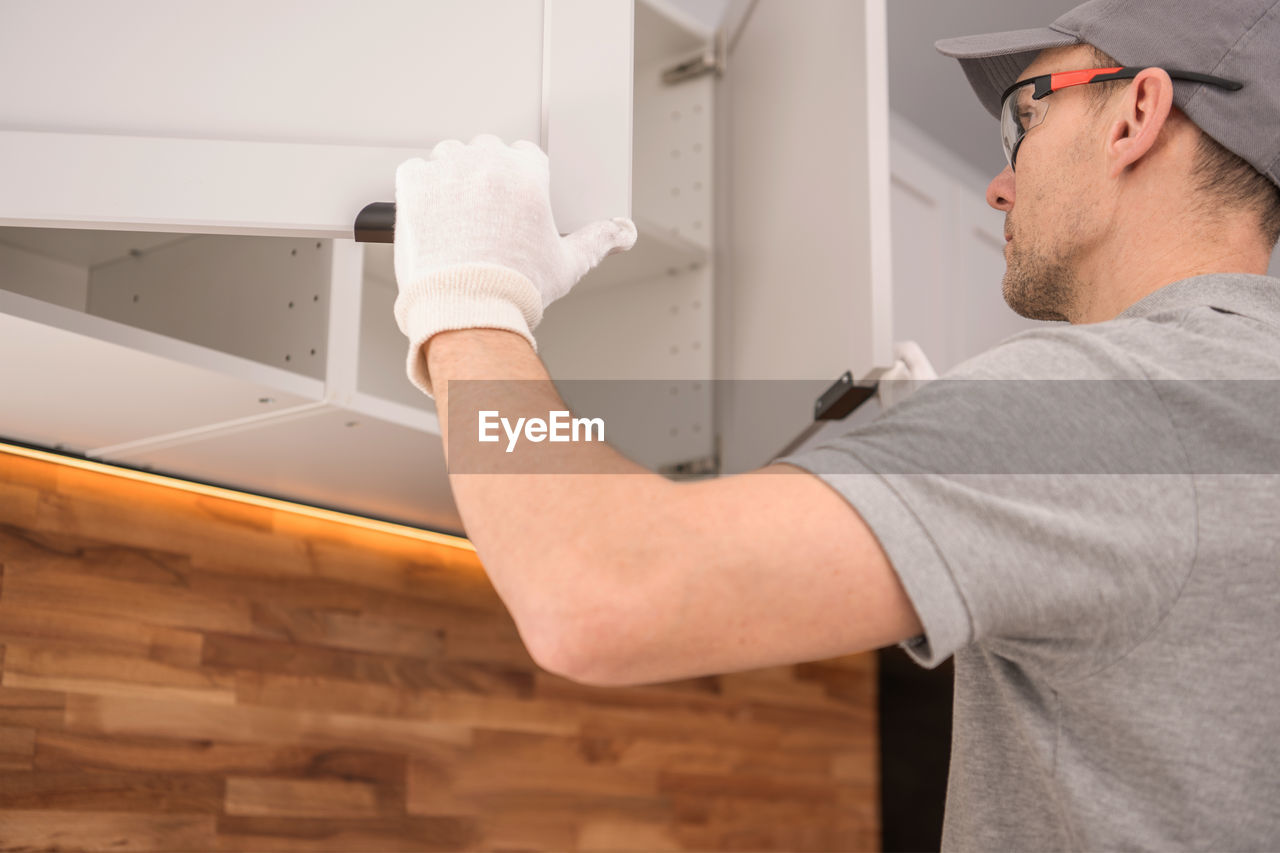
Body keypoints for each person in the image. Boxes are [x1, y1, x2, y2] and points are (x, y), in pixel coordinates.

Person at [389, 0, 1280, 847]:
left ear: (1134, 115)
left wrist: (472, 300)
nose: (1000, 187)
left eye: (1024, 121)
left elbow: (596, 590)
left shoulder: (1114, 407)